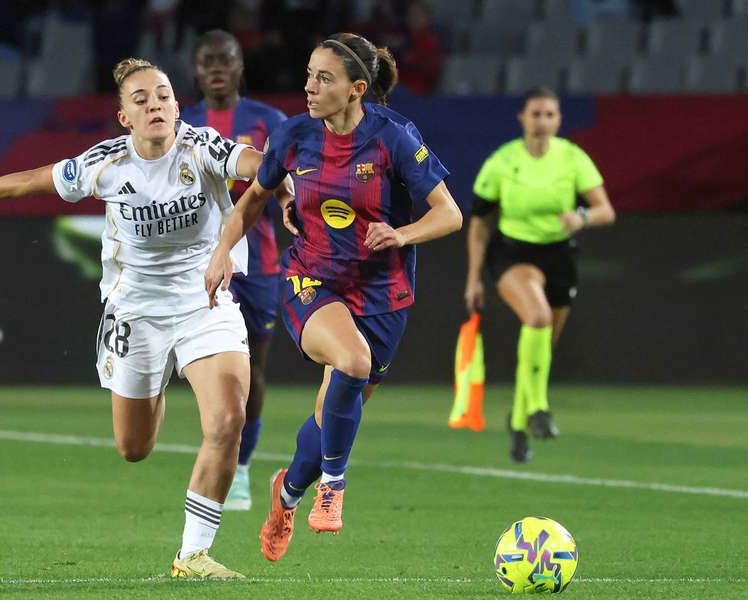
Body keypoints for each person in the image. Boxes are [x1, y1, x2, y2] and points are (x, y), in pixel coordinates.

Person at [0, 57, 292, 579]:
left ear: (177, 105)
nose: (155, 106)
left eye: (164, 96)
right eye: (141, 99)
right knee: (133, 448)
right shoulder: (105, 163)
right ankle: (159, 381)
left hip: (204, 303)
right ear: (124, 117)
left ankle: (192, 555)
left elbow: (256, 164)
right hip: (135, 312)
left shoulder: (202, 146)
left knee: (227, 420)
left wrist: (283, 188)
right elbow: (38, 179)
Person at [205, 32, 463, 562]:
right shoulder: (293, 135)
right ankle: (334, 486)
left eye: (324, 78)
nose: (309, 87)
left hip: (383, 294)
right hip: (310, 279)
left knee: (333, 411)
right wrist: (221, 251)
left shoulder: (393, 137)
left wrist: (402, 234)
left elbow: (450, 213)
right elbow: (254, 198)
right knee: (351, 359)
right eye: (308, 75)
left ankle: (288, 493)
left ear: (356, 89)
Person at [464, 86, 615, 464]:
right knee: (537, 317)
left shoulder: (572, 158)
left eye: (550, 114)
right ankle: (540, 409)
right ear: (522, 118)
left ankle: (517, 423)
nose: (543, 121)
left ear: (559, 120)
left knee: (541, 347)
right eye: (536, 114)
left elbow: (605, 210)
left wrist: (579, 217)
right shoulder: (503, 161)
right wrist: (473, 278)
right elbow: (479, 224)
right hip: (513, 251)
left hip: (559, 254)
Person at [181, 29, 288, 512]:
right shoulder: (181, 123)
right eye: (208, 61)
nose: (217, 68)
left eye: (226, 60)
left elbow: (287, 179)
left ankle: (241, 468)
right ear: (196, 69)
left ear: (240, 65)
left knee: (255, 370)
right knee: (211, 366)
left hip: (259, 265)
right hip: (199, 262)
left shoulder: (269, 121)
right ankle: (221, 452)